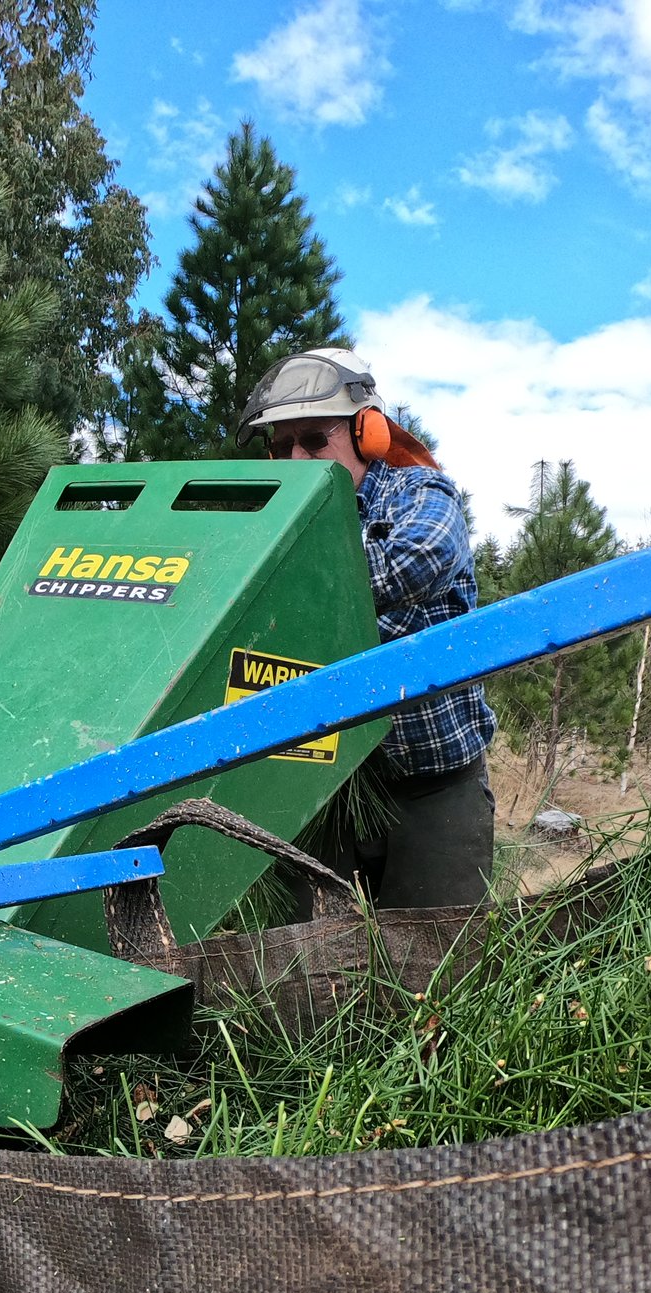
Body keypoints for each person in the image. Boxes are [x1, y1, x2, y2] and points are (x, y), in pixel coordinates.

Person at [236, 347, 497, 907]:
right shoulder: (270, 524)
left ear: (367, 434)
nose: (296, 459)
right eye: (281, 446)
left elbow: (417, 559)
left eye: (312, 439)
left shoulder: (422, 496)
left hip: (432, 783)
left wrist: (286, 582)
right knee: (307, 965)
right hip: (326, 788)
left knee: (439, 965)